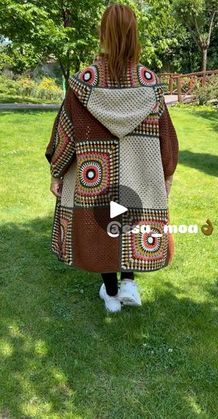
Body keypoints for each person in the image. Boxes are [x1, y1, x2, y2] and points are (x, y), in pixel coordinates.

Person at [45, 3, 179, 313]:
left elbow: (66, 135)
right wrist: (167, 172)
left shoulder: (83, 82)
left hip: (97, 175)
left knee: (105, 224)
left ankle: (111, 293)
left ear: (102, 33)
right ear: (135, 35)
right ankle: (129, 284)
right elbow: (167, 136)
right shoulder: (149, 83)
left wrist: (57, 170)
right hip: (139, 173)